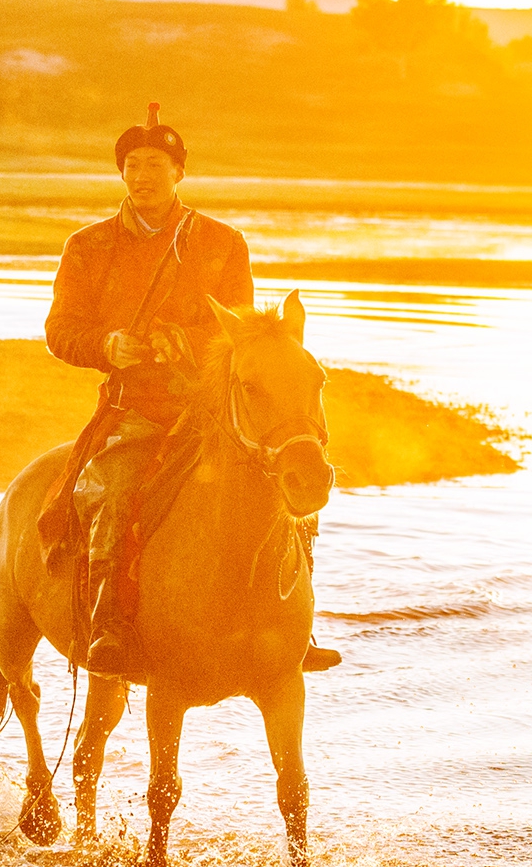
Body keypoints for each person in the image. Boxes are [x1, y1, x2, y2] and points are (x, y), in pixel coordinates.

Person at [45, 105, 341, 677]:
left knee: (292, 478)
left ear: (179, 172)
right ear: (121, 172)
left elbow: (244, 331)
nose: (143, 176)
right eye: (133, 165)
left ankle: (293, 624)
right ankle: (110, 624)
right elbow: (60, 331)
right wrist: (107, 345)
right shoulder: (87, 246)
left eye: (155, 165)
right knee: (114, 492)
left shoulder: (222, 242)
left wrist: (183, 340)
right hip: (135, 409)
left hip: (214, 410)